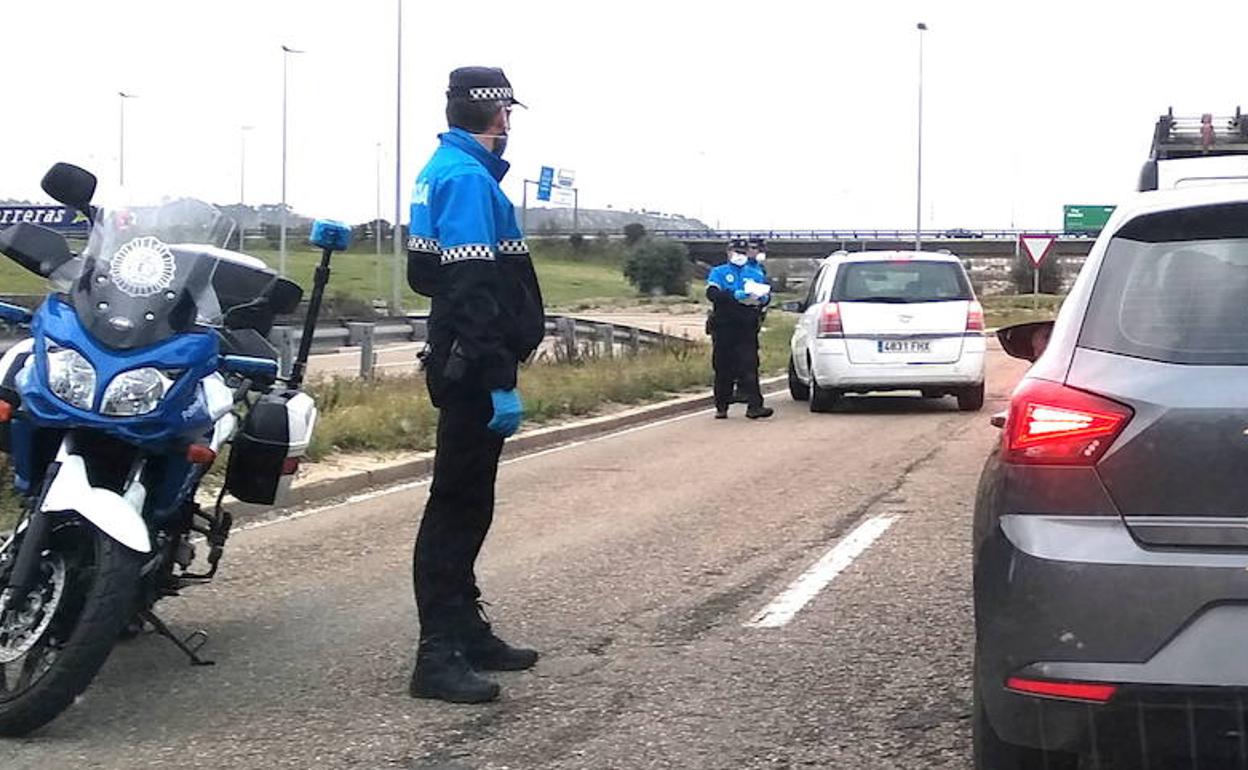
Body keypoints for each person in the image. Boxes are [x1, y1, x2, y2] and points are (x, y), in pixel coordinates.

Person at [404, 66, 546, 704]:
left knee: (468, 501)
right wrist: (496, 376)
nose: (510, 125)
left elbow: (422, 274)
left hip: (461, 357)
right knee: (457, 506)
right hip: (471, 365)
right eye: (508, 114)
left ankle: (465, 627)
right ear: (497, 115)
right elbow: (472, 289)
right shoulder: (465, 179)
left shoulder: (445, 169)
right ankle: (436, 654)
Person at [706, 239, 774, 420]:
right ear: (728, 252)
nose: (740, 256)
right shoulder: (719, 272)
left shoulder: (754, 273)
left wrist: (762, 299)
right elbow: (712, 294)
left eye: (743, 253)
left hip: (746, 326)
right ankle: (722, 406)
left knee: (749, 365)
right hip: (724, 326)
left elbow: (766, 296)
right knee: (723, 367)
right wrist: (733, 295)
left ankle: (755, 406)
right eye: (736, 252)